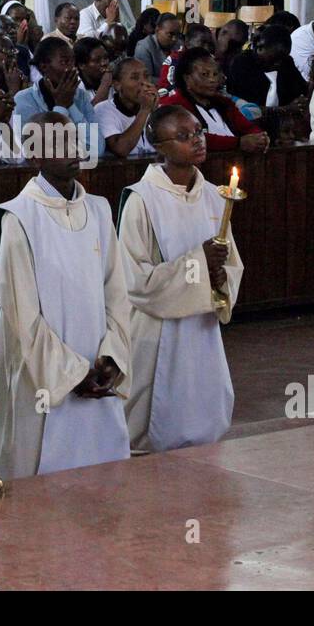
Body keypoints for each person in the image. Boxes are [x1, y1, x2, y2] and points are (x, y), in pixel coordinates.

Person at [0, 112, 133, 478]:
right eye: (58, 142)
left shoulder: (99, 210)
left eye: (74, 138)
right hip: (46, 378)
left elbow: (117, 293)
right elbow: (22, 317)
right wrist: (72, 374)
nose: (74, 149)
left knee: (104, 478)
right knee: (43, 484)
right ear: (35, 156)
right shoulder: (19, 218)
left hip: (100, 366)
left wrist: (113, 356)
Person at [120, 104, 241, 452]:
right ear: (159, 146)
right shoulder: (140, 200)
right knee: (155, 423)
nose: (197, 141)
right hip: (157, 331)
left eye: (199, 132)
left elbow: (232, 264)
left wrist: (219, 276)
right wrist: (200, 262)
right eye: (184, 136)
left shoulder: (216, 198)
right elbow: (135, 280)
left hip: (201, 326)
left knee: (203, 417)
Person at [161, 46, 269, 153]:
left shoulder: (224, 102)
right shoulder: (175, 106)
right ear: (187, 78)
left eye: (215, 74)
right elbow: (196, 139)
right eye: (205, 74)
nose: (212, 80)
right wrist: (238, 143)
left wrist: (260, 138)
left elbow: (247, 127)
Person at [12, 35, 100, 158]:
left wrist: (71, 105)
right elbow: (42, 152)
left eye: (73, 61)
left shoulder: (81, 96)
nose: (72, 68)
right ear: (44, 66)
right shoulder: (24, 100)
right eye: (64, 62)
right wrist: (61, 106)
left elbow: (97, 149)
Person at [226, 23, 307, 112]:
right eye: (275, 58)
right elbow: (245, 108)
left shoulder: (286, 62)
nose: (278, 63)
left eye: (282, 57)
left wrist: (301, 100)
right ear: (260, 47)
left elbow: (303, 90)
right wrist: (285, 109)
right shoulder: (242, 64)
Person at [95, 57, 158, 158]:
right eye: (135, 77)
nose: (144, 83)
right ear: (117, 85)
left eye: (146, 76)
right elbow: (121, 149)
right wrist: (145, 110)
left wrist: (156, 113)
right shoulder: (103, 109)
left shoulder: (154, 107)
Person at [134, 12, 183, 86]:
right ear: (157, 30)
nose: (174, 39)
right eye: (170, 34)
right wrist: (172, 83)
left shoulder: (179, 45)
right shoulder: (144, 47)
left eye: (177, 34)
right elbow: (145, 78)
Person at [73, 36, 113, 103]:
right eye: (97, 60)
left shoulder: (111, 79)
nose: (104, 63)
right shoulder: (75, 89)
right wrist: (105, 84)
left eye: (106, 57)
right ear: (81, 65)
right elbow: (91, 112)